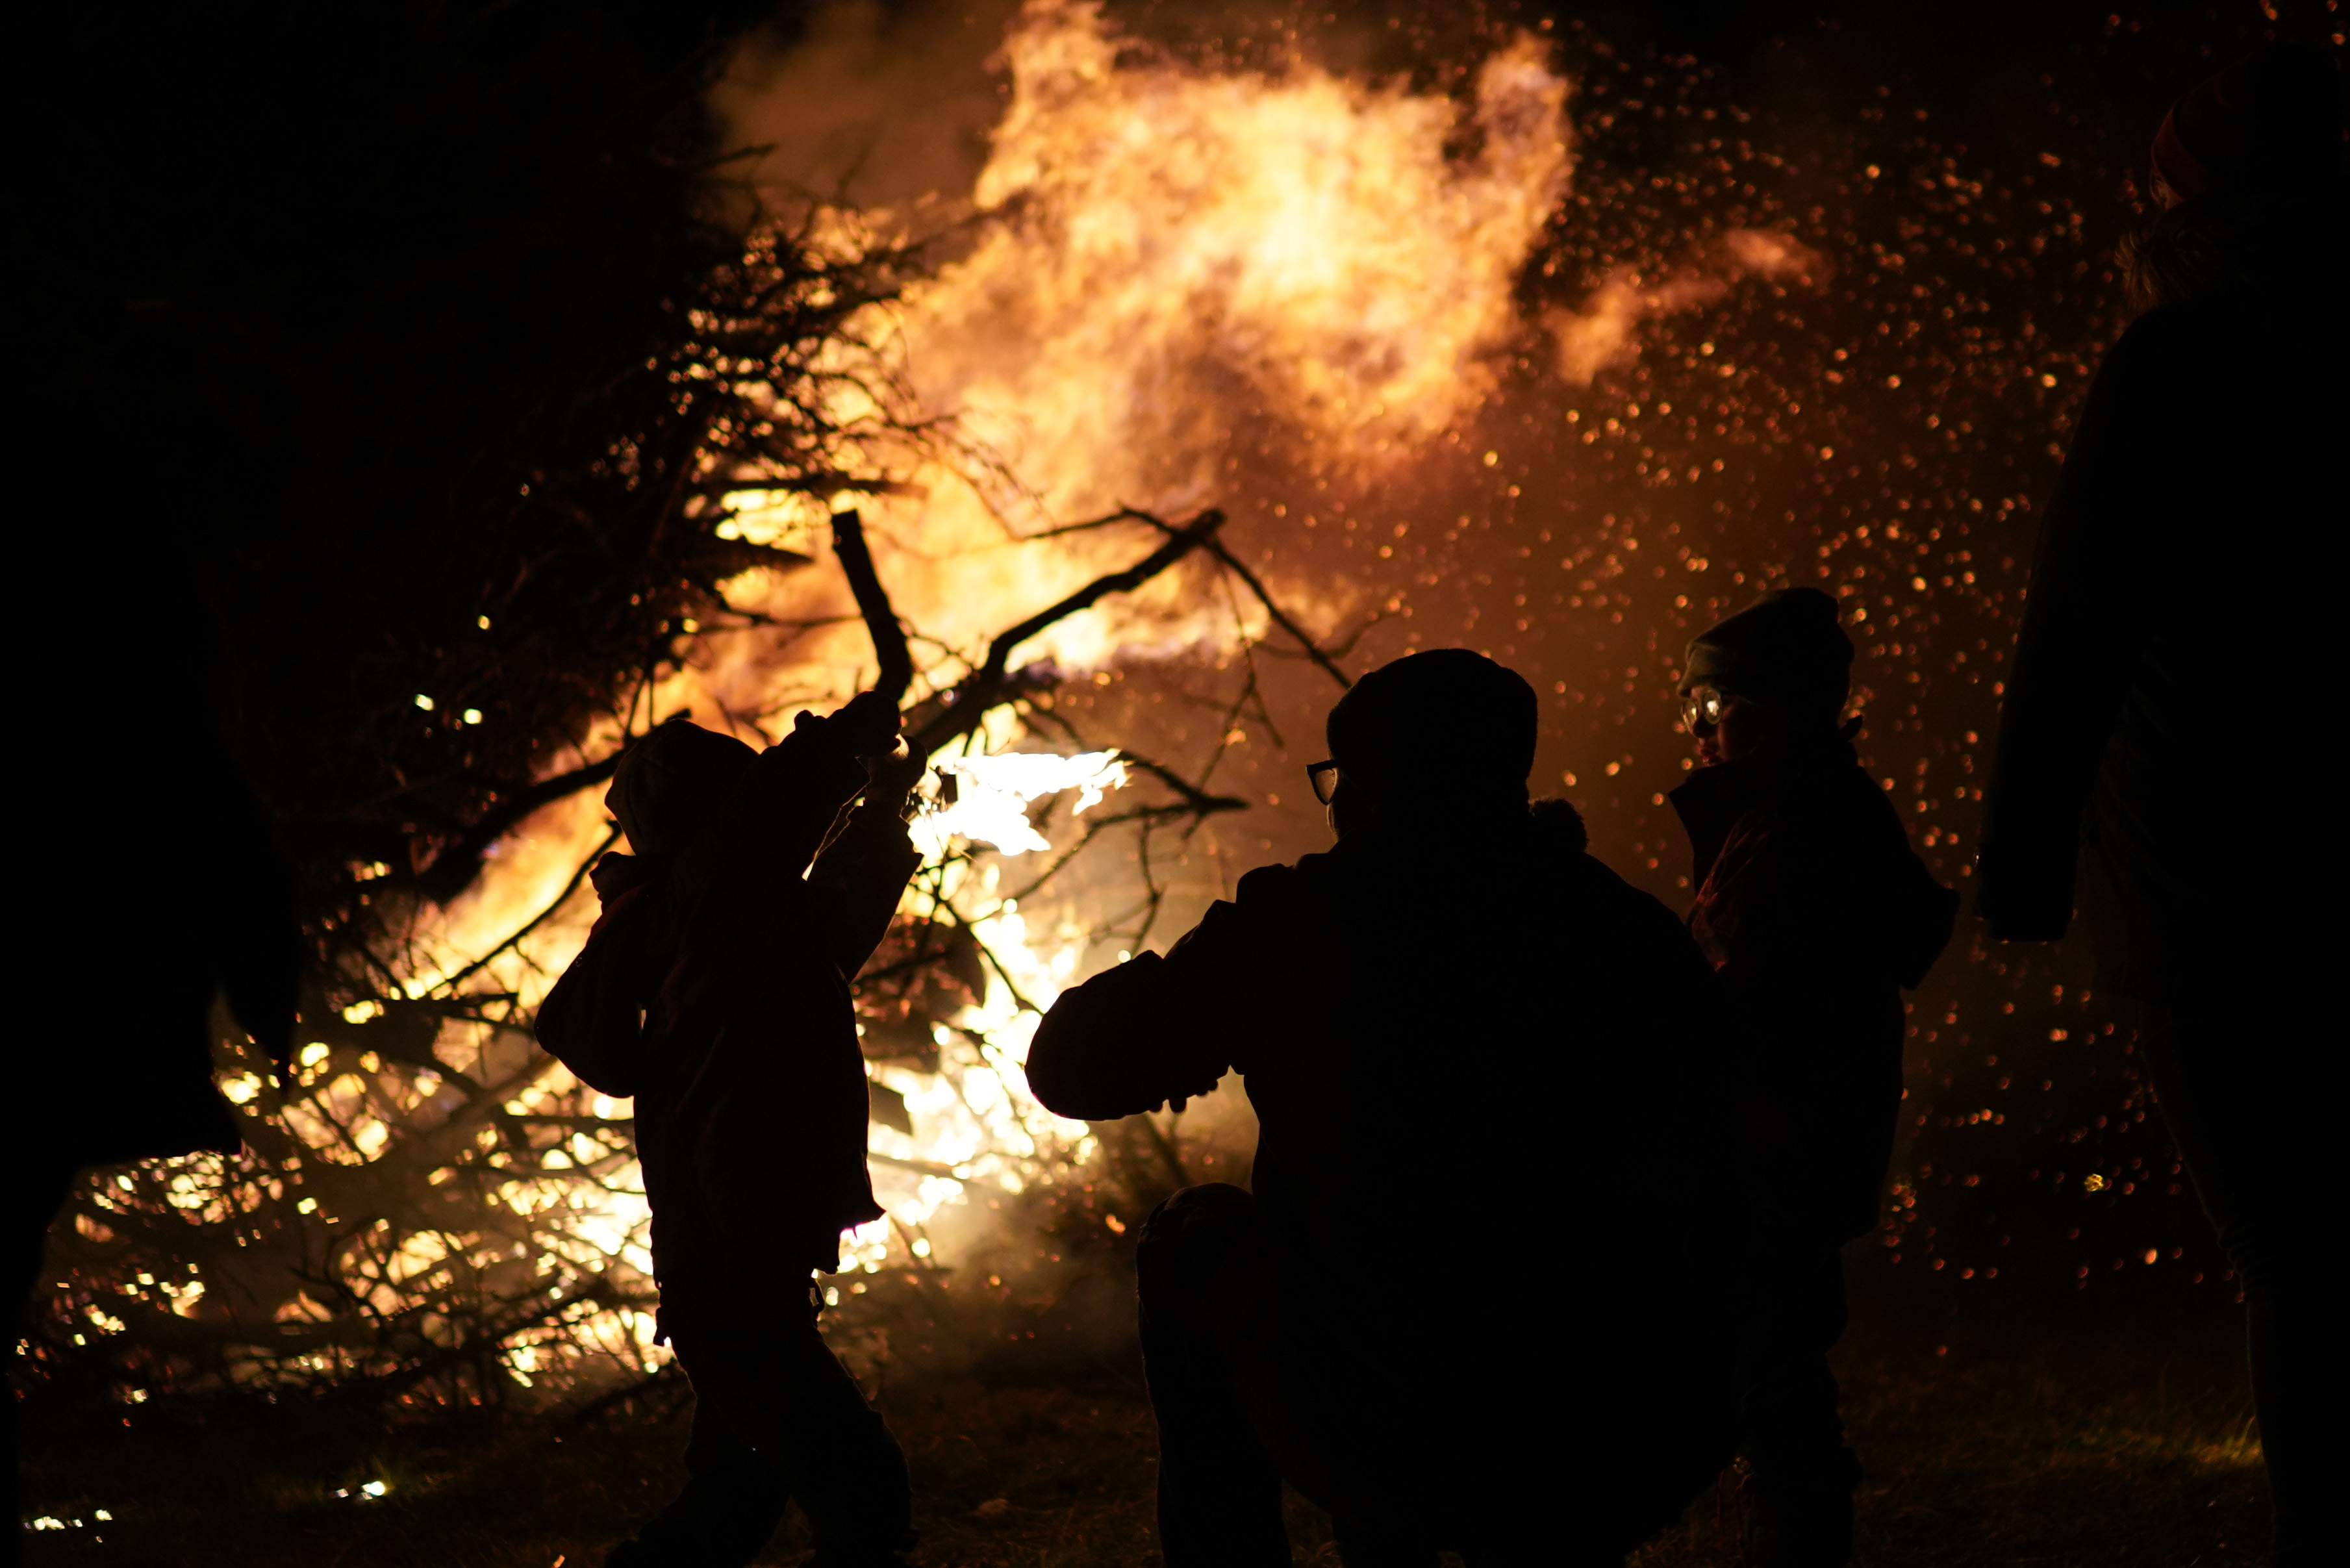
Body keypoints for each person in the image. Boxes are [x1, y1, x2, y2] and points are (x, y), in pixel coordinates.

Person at [1025, 650, 1737, 1567]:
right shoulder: (1623, 926)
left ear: (1365, 790)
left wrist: (1217, 987)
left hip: (1402, 1423)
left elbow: (1069, 1069)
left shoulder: (1300, 923)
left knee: (1196, 1238)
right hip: (1636, 1427)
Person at [1978, 44, 2343, 1568]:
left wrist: (2022, 866)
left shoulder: (2179, 361)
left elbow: (2079, 622)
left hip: (2215, 882)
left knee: (2300, 1261)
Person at [537, 696, 926, 1568]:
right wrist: (847, 738)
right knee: (856, 1482)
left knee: (739, 1481)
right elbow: (770, 811)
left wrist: (884, 811)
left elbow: (841, 908)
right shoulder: (706, 894)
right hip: (730, 1243)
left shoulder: (734, 916)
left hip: (737, 1244)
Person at [1668, 588, 1956, 1568]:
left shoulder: (1800, 827)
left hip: (1776, 1143)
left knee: (1772, 1370)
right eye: (1692, 707)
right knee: (1771, 1360)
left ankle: (1795, 1544)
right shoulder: (1800, 810)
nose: (1698, 728)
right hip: (1788, 1140)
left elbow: (1741, 997)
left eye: (1714, 704)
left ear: (1774, 707)